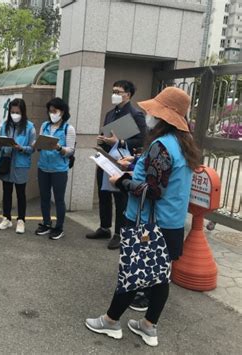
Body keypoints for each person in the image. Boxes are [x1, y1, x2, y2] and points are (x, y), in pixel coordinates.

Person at [85, 87, 201, 347]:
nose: (149, 115)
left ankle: (111, 321)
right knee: (160, 277)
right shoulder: (183, 143)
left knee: (130, 272)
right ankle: (149, 326)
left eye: (153, 112)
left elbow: (153, 190)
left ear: (164, 117)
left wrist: (122, 181)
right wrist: (136, 164)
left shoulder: (161, 145)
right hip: (171, 223)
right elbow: (162, 178)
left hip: (148, 222)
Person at [86, 80, 146, 250]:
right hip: (106, 158)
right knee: (103, 193)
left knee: (120, 198)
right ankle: (104, 227)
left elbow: (142, 139)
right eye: (113, 91)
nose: (115, 95)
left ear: (128, 94)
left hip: (123, 161)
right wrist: (102, 140)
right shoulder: (110, 113)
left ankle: (120, 233)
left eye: (118, 92)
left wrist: (119, 142)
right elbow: (107, 136)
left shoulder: (136, 114)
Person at [35, 97, 75, 240]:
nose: (52, 113)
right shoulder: (45, 125)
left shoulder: (68, 129)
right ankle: (46, 223)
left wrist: (59, 148)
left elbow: (70, 150)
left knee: (58, 199)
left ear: (62, 112)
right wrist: (38, 145)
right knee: (44, 197)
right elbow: (39, 143)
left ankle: (59, 227)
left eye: (55, 111)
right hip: (43, 167)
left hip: (59, 169)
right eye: (50, 111)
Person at [0, 98, 36, 234]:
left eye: (17, 112)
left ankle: (21, 220)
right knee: (6, 192)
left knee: (20, 193)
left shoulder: (30, 127)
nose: (14, 114)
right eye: (12, 111)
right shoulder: (5, 125)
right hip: (6, 162)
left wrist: (21, 148)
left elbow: (32, 148)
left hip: (20, 164)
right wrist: (0, 145)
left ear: (23, 112)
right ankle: (6, 218)